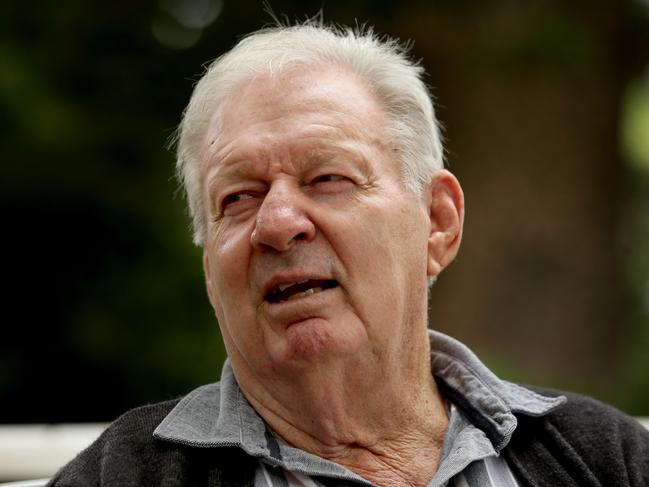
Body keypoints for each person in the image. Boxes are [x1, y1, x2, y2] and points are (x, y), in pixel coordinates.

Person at [49, 21, 649, 487]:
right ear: (210, 272)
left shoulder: (608, 459)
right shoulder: (120, 475)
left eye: (328, 178)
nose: (278, 224)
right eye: (238, 197)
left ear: (437, 223)